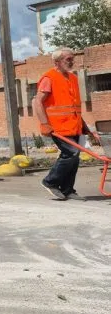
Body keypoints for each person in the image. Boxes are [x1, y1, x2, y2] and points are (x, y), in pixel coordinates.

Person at [33, 48, 99, 200]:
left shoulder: (73, 78)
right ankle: (50, 181)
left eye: (72, 59)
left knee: (74, 158)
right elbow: (37, 102)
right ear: (57, 62)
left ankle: (68, 190)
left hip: (74, 127)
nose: (71, 61)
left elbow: (74, 108)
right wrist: (44, 124)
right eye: (68, 59)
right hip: (57, 127)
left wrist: (86, 128)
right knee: (71, 153)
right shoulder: (49, 78)